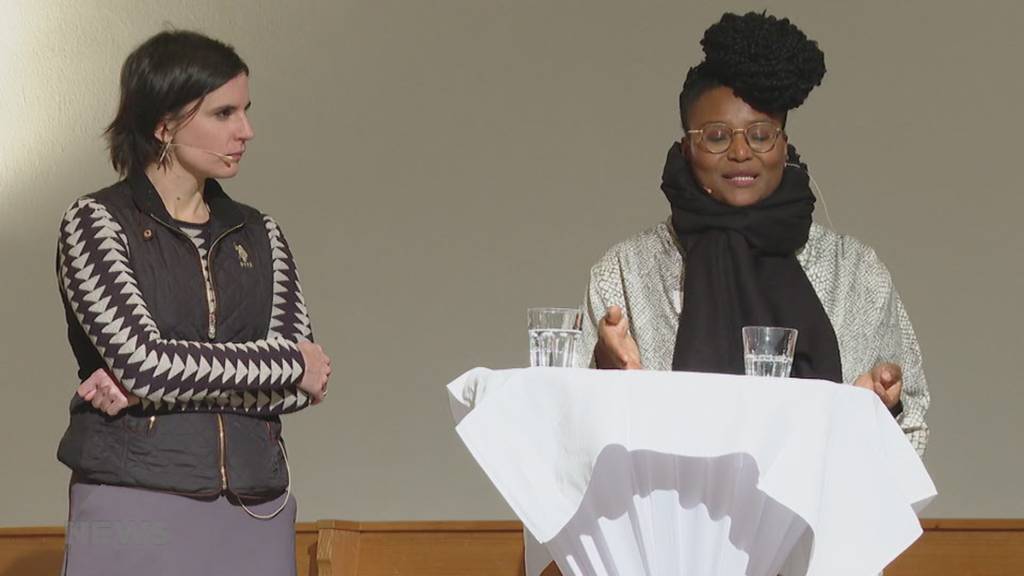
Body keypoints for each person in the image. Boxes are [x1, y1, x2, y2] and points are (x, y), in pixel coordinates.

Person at [578, 12, 929, 455]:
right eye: (717, 136)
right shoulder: (627, 272)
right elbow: (570, 441)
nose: (741, 152)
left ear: (784, 146)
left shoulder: (856, 273)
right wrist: (605, 377)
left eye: (761, 135)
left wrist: (871, 412)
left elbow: (911, 426)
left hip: (814, 522)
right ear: (687, 149)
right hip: (674, 518)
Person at [55, 30, 331, 576]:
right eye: (224, 113)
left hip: (256, 507)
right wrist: (290, 362)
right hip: (133, 500)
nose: (246, 131)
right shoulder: (97, 222)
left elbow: (305, 389)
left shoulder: (261, 233)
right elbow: (144, 364)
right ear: (164, 123)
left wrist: (148, 388)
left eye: (245, 111)